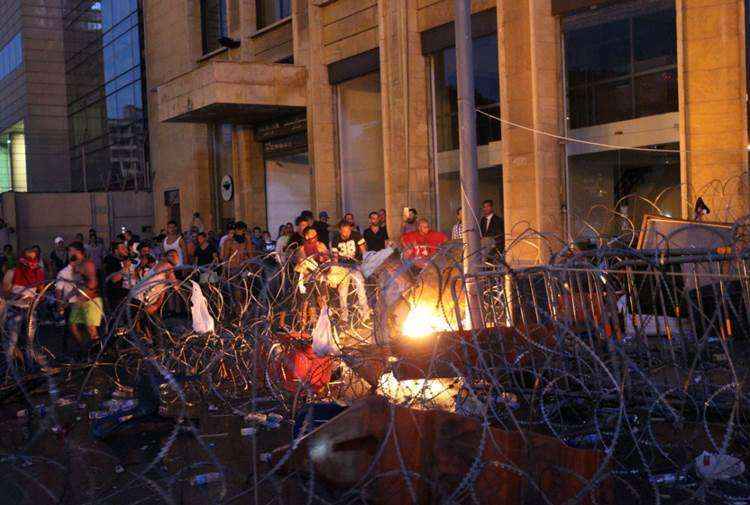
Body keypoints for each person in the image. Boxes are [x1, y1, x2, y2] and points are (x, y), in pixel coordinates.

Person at [6, 247, 45, 371]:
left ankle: (29, 367)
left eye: (34, 258)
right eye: (29, 258)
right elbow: (5, 293)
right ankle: (9, 370)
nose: (31, 262)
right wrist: (20, 298)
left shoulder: (38, 272)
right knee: (13, 340)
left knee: (29, 342)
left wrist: (36, 299)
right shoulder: (12, 272)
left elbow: (41, 292)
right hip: (14, 310)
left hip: (30, 311)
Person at [330, 220, 371, 322]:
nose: (347, 234)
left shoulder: (356, 235)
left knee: (360, 288)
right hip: (342, 267)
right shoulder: (336, 239)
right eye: (344, 232)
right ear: (340, 231)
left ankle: (365, 315)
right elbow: (335, 258)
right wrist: (335, 272)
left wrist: (365, 263)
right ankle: (344, 317)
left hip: (355, 266)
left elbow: (363, 250)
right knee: (343, 292)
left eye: (348, 231)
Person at [66, 242, 103, 351]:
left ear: (77, 251)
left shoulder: (88, 264)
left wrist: (84, 297)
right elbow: (77, 285)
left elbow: (93, 282)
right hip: (81, 299)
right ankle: (84, 349)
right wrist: (66, 298)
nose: (69, 253)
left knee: (91, 330)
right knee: (73, 325)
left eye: (70, 250)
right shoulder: (76, 265)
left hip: (91, 300)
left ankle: (97, 353)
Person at [103, 241, 133, 311]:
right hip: (115, 295)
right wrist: (125, 267)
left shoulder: (123, 259)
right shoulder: (111, 260)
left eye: (125, 248)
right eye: (122, 248)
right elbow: (114, 279)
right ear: (116, 250)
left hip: (124, 293)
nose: (125, 250)